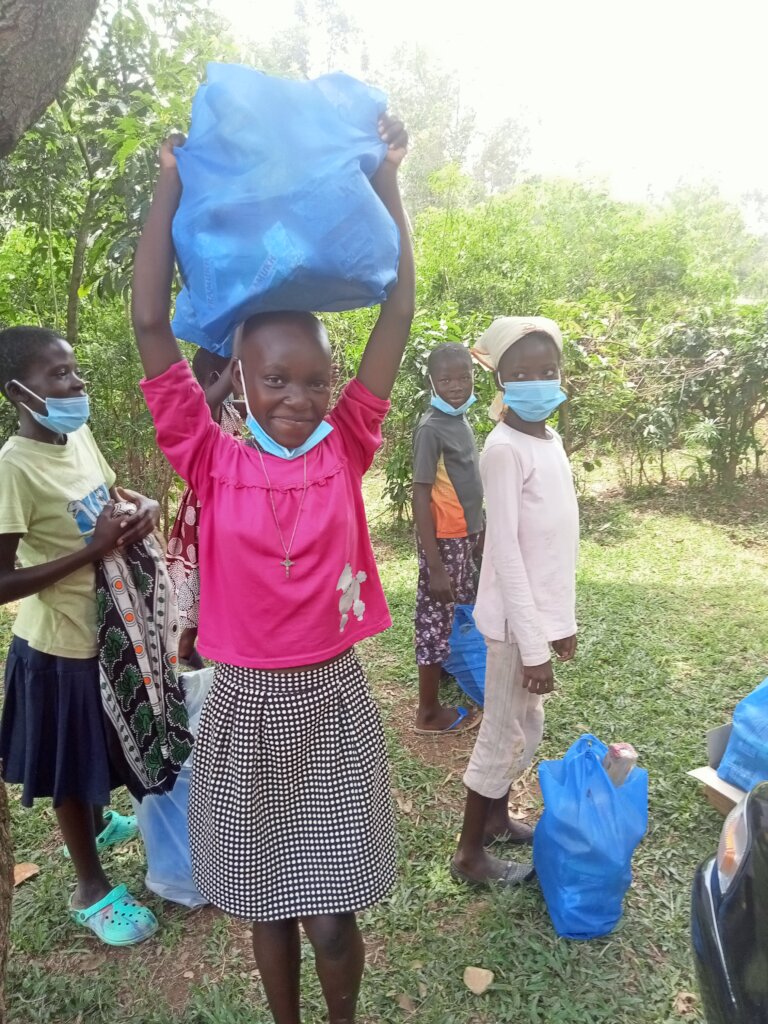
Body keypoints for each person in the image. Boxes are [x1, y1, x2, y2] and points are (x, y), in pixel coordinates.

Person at [131, 117, 413, 1024]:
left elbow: (398, 309)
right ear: (242, 380)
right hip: (246, 706)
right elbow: (146, 319)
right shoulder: (208, 459)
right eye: (277, 381)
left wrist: (390, 181)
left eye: (313, 381)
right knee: (265, 903)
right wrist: (170, 179)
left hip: (331, 699)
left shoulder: (349, 446)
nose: (298, 399)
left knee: (333, 914)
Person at [0, 325, 161, 944]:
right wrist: (90, 552)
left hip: (106, 633)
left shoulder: (76, 434)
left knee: (102, 743)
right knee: (70, 766)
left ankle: (96, 826)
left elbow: (110, 496)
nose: (76, 383)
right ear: (20, 391)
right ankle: (90, 888)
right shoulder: (15, 469)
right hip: (58, 645)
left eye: (75, 370)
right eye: (58, 375)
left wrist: (141, 507)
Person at [450, 316, 579, 886]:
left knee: (527, 725)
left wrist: (561, 623)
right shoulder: (504, 450)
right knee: (503, 732)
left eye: (547, 370)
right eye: (521, 372)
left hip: (535, 621)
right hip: (509, 627)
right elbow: (504, 552)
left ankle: (498, 819)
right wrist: (533, 645)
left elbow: (556, 545)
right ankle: (469, 854)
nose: (537, 381)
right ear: (500, 379)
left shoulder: (550, 441)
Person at [412, 342, 483, 734]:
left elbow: (469, 484)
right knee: (435, 617)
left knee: (459, 610)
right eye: (446, 379)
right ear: (432, 382)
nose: (456, 386)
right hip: (443, 541)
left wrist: (480, 531)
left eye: (463, 377)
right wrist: (434, 564)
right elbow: (420, 493)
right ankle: (427, 712)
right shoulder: (431, 428)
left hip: (464, 537)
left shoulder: (461, 420)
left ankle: (449, 674)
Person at [166, 348, 244, 669]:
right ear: (218, 378)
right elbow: (208, 401)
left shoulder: (228, 410)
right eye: (237, 372)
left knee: (201, 596)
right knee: (195, 593)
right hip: (206, 512)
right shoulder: (207, 409)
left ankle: (186, 657)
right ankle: (182, 658)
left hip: (218, 507)